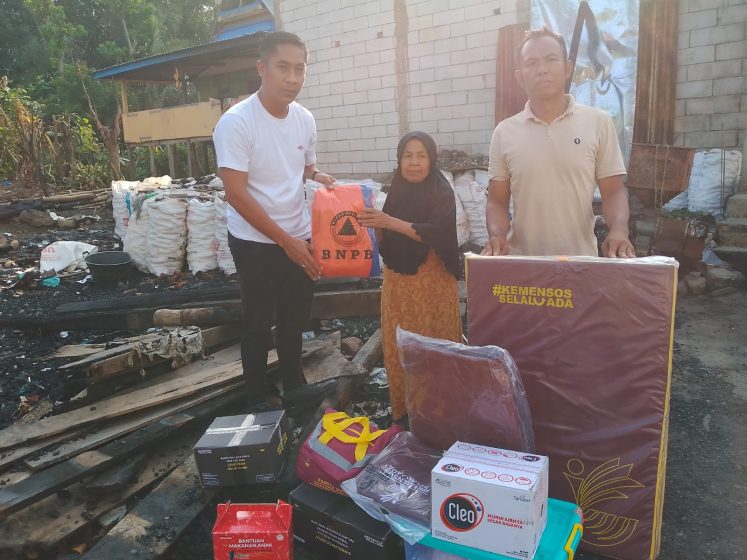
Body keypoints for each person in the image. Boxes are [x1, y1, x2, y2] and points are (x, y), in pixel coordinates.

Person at [213, 31, 335, 410]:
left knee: (295, 317)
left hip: (298, 234)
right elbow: (236, 193)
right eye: (283, 67)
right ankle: (256, 395)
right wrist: (286, 242)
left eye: (300, 69)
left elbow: (305, 166)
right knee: (257, 320)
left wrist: (318, 176)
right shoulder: (236, 123)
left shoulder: (304, 119)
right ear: (262, 68)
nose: (293, 78)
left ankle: (295, 388)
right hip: (254, 240)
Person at [482, 27, 635, 259]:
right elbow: (497, 201)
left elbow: (613, 192)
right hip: (522, 264)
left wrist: (619, 230)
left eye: (551, 59)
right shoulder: (504, 132)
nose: (542, 69)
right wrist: (497, 235)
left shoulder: (598, 123)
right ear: (520, 77)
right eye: (531, 63)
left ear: (567, 68)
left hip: (581, 262)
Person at [358, 131, 462, 425]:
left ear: (431, 159)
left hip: (432, 286)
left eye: (421, 156)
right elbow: (386, 238)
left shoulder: (441, 191)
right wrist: (371, 226)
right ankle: (405, 414)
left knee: (434, 347)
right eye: (407, 156)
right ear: (399, 160)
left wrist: (387, 221)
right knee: (400, 346)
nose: (414, 162)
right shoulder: (397, 191)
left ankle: (442, 416)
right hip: (398, 286)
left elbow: (435, 232)